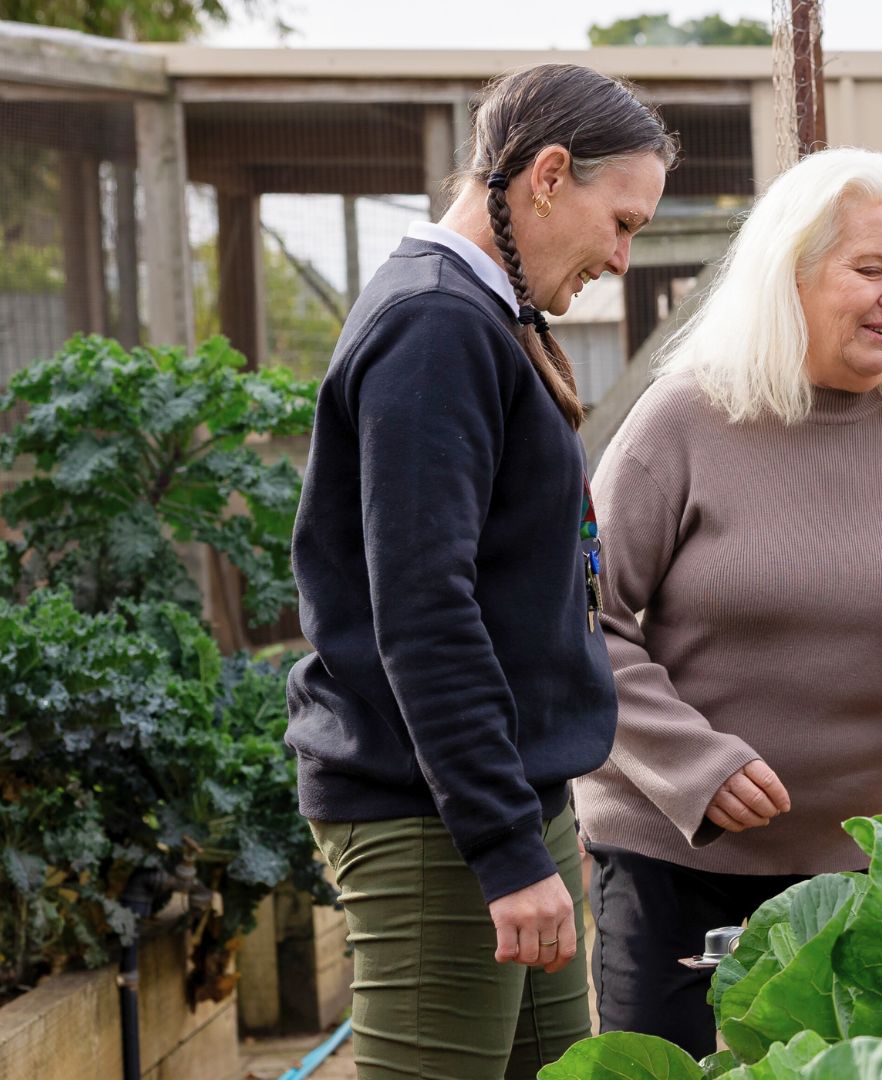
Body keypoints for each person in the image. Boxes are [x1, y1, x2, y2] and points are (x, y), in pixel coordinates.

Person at [574, 147, 882, 1057]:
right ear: (789, 274)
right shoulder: (682, 421)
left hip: (854, 871)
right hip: (672, 862)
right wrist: (695, 769)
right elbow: (583, 623)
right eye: (869, 269)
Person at [284, 63, 676, 1078]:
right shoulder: (436, 326)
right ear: (549, 175)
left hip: (503, 800)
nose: (623, 258)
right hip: (432, 822)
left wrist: (532, 817)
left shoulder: (483, 314)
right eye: (622, 222)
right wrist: (506, 849)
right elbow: (423, 609)